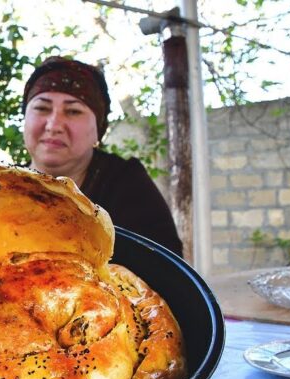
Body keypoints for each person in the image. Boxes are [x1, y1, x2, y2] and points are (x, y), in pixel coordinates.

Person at [22, 56, 183, 256]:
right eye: (42, 108)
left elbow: (166, 268)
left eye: (73, 111)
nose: (54, 125)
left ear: (98, 130)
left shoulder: (125, 182)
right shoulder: (2, 183)